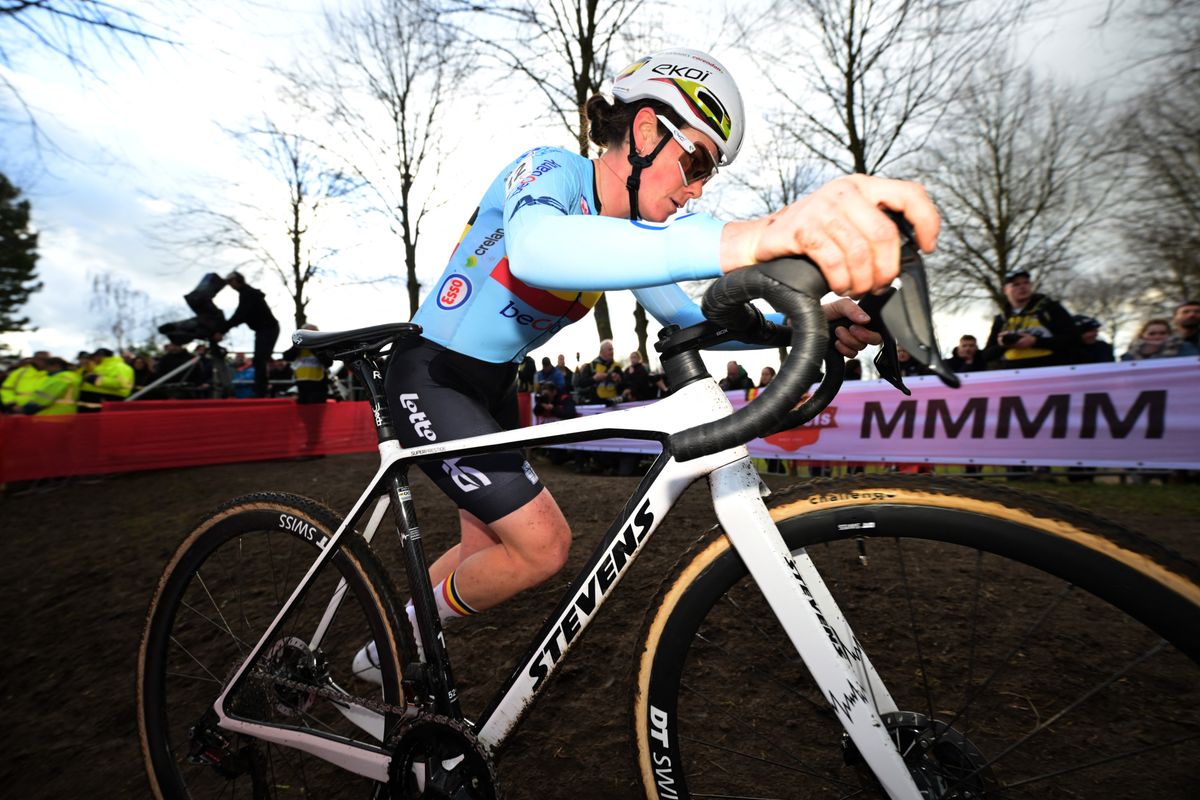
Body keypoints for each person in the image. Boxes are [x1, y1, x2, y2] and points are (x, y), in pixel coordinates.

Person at [352, 47, 937, 683]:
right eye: (698, 161)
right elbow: (536, 252)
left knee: (485, 551)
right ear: (646, 130)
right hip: (433, 373)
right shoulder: (548, 172)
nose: (697, 190)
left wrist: (807, 324)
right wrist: (752, 235)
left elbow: (690, 322)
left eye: (708, 176)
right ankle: (383, 656)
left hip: (492, 386)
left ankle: (383, 643)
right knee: (541, 548)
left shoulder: (625, 231)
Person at [982, 270, 1077, 369]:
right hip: (1014, 376)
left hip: (1050, 373)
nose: (1022, 287)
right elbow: (987, 355)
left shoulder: (1050, 309)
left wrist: (1035, 342)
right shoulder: (1001, 319)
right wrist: (1002, 345)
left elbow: (1073, 340)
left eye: (1026, 282)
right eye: (1016, 284)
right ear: (1005, 290)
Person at [222, 271, 279, 398]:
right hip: (262, 330)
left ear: (237, 280)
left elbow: (241, 314)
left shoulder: (248, 293)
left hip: (268, 329)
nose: (230, 285)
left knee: (260, 359)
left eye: (231, 282)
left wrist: (223, 329)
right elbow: (241, 315)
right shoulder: (246, 293)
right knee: (259, 359)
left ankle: (261, 391)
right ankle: (260, 389)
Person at [282, 324, 333, 404]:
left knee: (317, 410)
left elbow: (328, 362)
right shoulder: (298, 347)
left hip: (319, 385)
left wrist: (314, 347)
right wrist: (299, 343)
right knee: (304, 411)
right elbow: (287, 356)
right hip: (302, 385)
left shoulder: (321, 347)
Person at [1120, 319, 1200, 361]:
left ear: (1169, 334)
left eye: (1162, 333)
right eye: (1152, 334)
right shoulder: (1131, 353)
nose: (1157, 336)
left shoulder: (1184, 347)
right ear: (1142, 335)